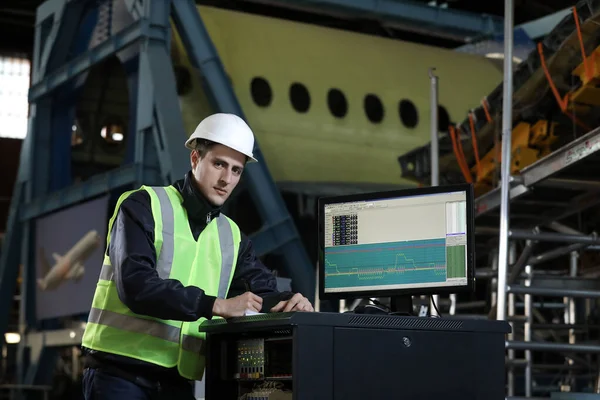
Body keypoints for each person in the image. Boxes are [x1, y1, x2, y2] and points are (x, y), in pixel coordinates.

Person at [80, 113, 314, 400]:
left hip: (176, 382)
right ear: (195, 159)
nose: (226, 179)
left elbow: (261, 293)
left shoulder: (231, 236)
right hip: (118, 374)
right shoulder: (142, 205)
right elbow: (135, 285)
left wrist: (290, 302)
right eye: (219, 164)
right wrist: (216, 305)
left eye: (236, 170)